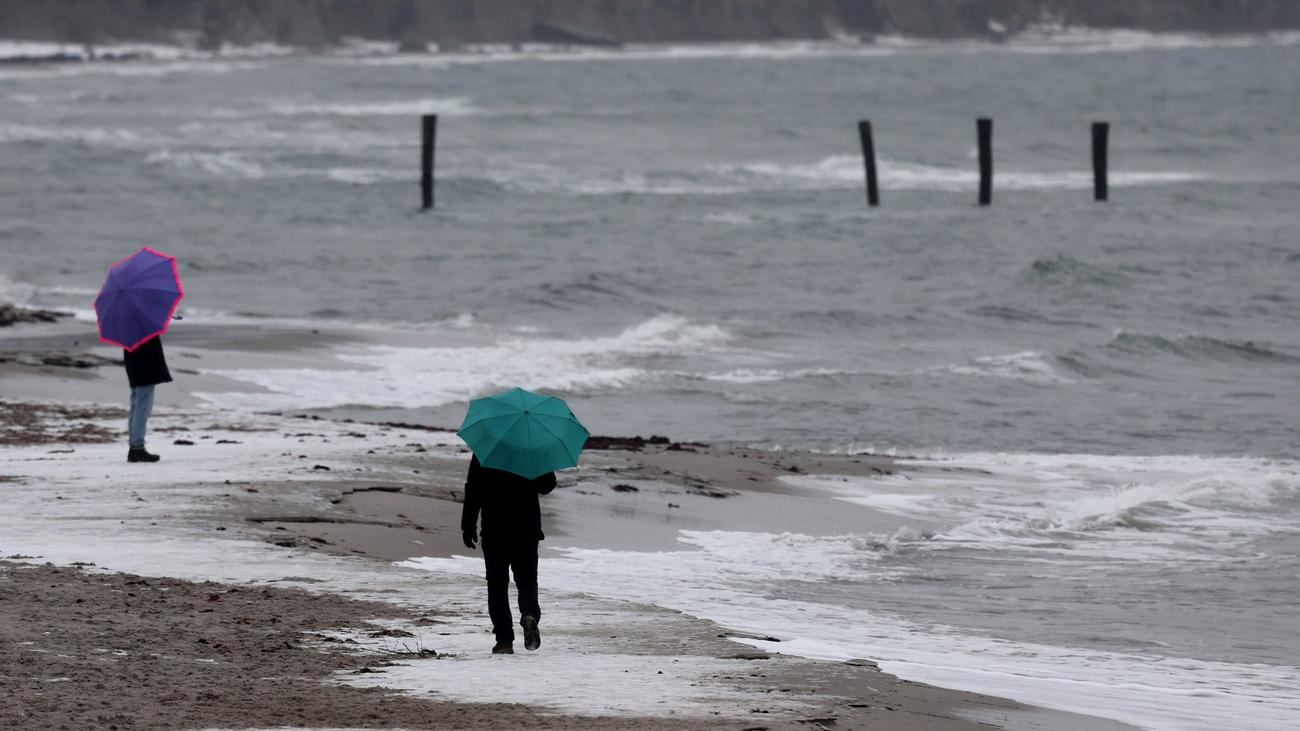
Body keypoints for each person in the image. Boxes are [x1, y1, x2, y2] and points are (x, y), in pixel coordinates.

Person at [461, 454, 556, 654]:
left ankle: (504, 640)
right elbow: (547, 485)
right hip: (526, 529)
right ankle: (529, 614)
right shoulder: (531, 448)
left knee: (497, 585)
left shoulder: (486, 450)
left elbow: (473, 488)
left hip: (494, 529)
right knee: (527, 580)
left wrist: (467, 525)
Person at [123, 333, 171, 463]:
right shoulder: (143, 326)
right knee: (142, 408)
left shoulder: (127, 325)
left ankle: (134, 448)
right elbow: (147, 347)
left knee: (136, 406)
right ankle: (137, 447)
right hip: (144, 367)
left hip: (135, 366)